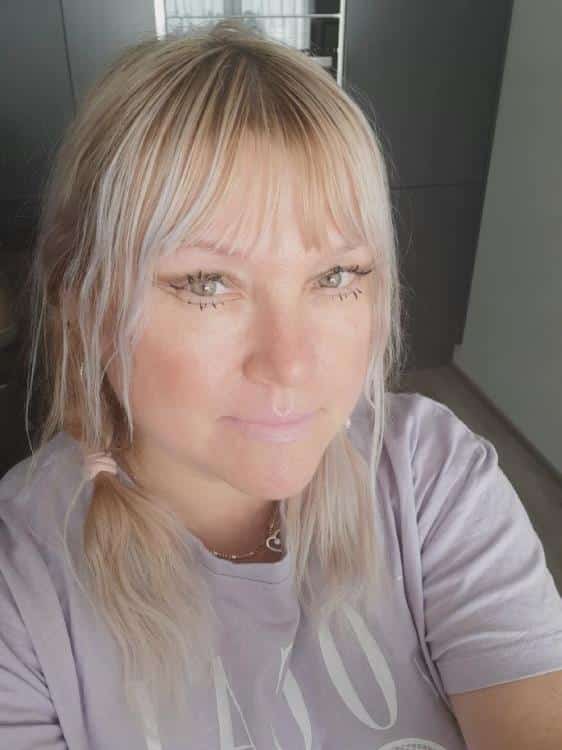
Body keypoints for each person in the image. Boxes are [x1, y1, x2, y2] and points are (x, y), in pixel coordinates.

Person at [1, 19, 561, 750]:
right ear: (81, 303)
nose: (292, 363)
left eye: (335, 275)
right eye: (207, 283)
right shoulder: (20, 592)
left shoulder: (428, 473)